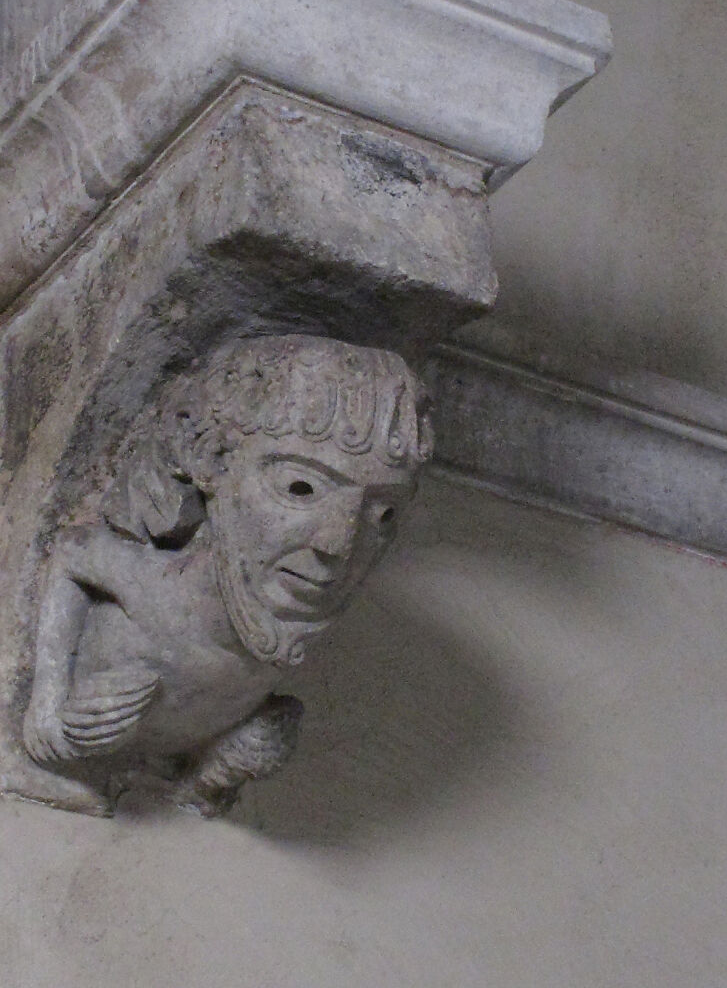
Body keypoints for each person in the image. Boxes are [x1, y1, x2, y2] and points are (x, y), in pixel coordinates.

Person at [23, 333, 432, 815]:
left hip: (175, 753)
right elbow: (72, 553)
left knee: (267, 733)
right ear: (213, 461)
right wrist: (47, 703)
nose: (337, 546)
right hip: (96, 730)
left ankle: (193, 785)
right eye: (300, 488)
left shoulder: (286, 633)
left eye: (381, 515)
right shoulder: (161, 593)